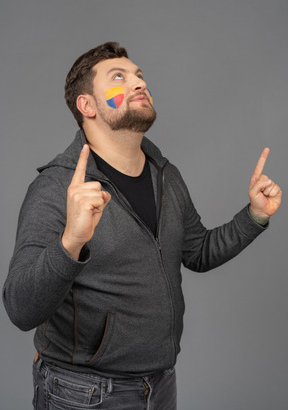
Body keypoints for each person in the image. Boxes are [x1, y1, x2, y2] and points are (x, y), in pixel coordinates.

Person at [2, 42, 282, 410]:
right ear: (87, 106)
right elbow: (21, 308)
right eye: (119, 77)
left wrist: (255, 215)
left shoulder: (165, 175)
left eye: (140, 76)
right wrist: (71, 242)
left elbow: (197, 252)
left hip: (161, 385)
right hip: (83, 394)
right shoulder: (57, 188)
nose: (138, 84)